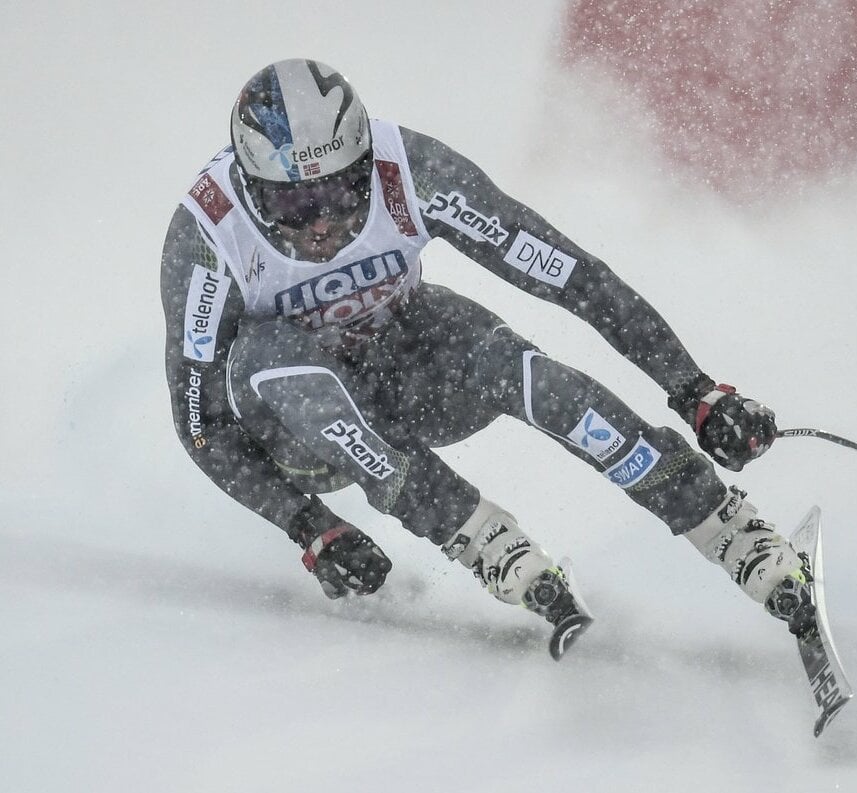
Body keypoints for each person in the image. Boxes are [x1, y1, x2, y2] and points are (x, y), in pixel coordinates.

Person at [161, 59, 814, 659]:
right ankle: (478, 535)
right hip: (298, 437)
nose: (322, 222)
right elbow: (202, 426)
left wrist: (692, 388)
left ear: (367, 163)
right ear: (250, 185)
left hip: (401, 368)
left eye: (339, 191)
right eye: (295, 204)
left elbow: (571, 275)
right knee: (272, 351)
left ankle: (727, 528)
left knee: (520, 367)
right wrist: (311, 524)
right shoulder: (208, 237)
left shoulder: (412, 172)